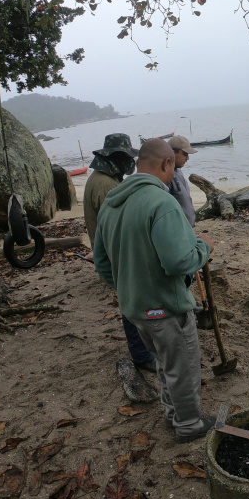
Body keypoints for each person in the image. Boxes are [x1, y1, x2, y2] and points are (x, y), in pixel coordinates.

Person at [93, 138, 216, 443]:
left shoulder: (111, 203)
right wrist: (204, 247)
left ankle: (174, 415)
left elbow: (102, 263)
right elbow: (179, 261)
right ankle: (189, 425)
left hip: (135, 308)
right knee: (183, 367)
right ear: (166, 163)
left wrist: (128, 287)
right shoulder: (161, 203)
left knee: (163, 363)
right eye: (173, 165)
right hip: (165, 307)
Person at [82, 133, 156, 373]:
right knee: (131, 306)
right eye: (127, 158)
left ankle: (143, 350)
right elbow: (117, 224)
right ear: (116, 158)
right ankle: (141, 355)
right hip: (116, 253)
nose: (131, 164)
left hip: (112, 251)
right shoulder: (106, 185)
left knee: (132, 303)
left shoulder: (104, 179)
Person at [166, 135, 199, 227]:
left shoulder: (178, 171)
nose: (187, 158)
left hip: (187, 229)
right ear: (172, 152)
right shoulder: (166, 176)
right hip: (178, 229)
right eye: (185, 154)